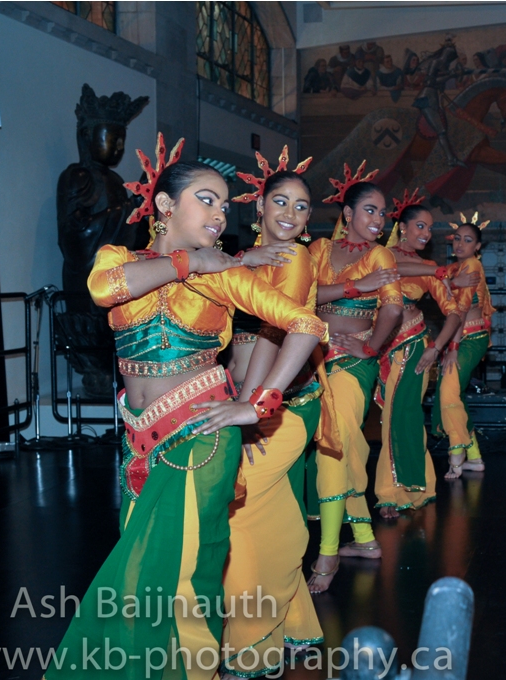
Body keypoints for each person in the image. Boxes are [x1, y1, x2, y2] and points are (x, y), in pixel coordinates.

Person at [47, 134, 327, 679]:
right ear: (165, 206)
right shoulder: (120, 258)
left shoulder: (223, 273)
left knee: (186, 577)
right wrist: (189, 260)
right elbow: (105, 289)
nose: (221, 213)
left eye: (225, 204)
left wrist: (258, 406)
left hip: (200, 432)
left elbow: (305, 323)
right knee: (139, 577)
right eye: (207, 199)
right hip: (135, 437)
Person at [219, 150, 330, 675]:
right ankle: (298, 624)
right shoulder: (246, 257)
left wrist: (252, 405)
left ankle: (252, 644)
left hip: (272, 409)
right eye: (281, 201)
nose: (290, 213)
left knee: (236, 518)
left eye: (302, 207)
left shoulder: (296, 259)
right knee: (275, 515)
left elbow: (274, 333)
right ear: (258, 206)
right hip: (256, 401)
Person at [306, 165, 403, 593]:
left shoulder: (381, 255)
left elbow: (394, 308)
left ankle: (327, 552)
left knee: (334, 444)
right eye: (370, 211)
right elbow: (301, 296)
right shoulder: (319, 250)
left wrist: (370, 348)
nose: (379, 221)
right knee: (338, 444)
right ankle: (363, 539)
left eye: (383, 213)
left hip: (352, 363)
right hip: (312, 359)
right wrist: (353, 286)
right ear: (347, 212)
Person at [373, 190, 464, 518]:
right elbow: (390, 264)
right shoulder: (380, 256)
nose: (426, 234)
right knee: (398, 415)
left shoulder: (427, 268)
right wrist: (437, 269)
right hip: (376, 347)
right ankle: (419, 486)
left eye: (429, 228)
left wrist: (436, 348)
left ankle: (389, 493)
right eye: (420, 227)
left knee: (400, 414)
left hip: (411, 347)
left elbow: (453, 313)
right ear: (403, 227)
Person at [431, 213, 496, 479]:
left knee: (448, 392)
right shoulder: (455, 269)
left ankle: (456, 455)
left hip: (468, 339)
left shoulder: (471, 266)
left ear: (477, 247)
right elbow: (435, 282)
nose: (460, 244)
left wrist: (454, 347)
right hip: (461, 338)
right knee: (454, 395)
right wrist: (451, 282)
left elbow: (462, 306)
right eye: (457, 239)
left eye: (467, 240)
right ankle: (475, 458)